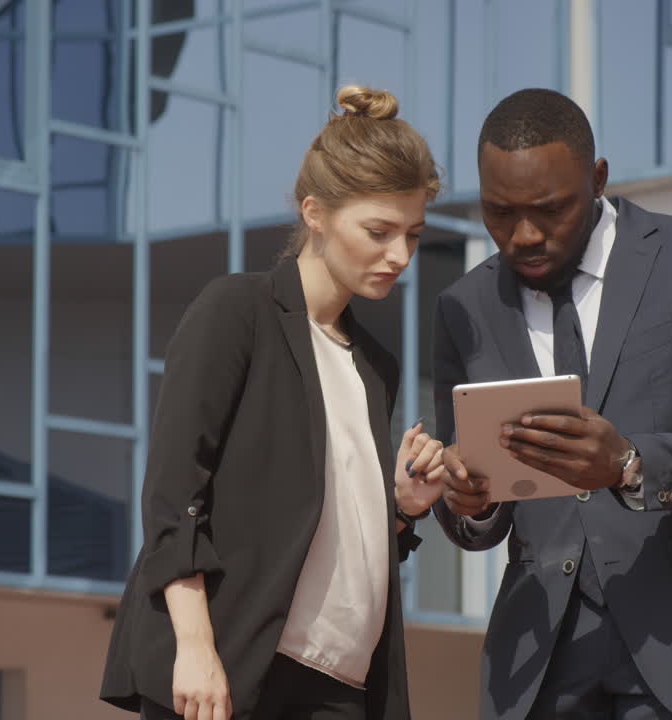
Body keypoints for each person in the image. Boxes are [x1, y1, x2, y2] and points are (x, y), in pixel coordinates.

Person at [431, 88, 672, 720]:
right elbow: (470, 504)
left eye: (550, 210)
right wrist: (469, 502)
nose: (523, 235)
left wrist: (630, 463)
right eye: (499, 212)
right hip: (540, 656)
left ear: (597, 179)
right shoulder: (463, 306)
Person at [101, 85, 446, 720]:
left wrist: (399, 511)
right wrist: (197, 650)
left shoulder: (375, 365)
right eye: (378, 231)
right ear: (315, 212)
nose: (399, 255)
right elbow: (174, 495)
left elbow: (321, 531)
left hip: (344, 685)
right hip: (231, 673)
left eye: (413, 235)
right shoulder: (237, 311)